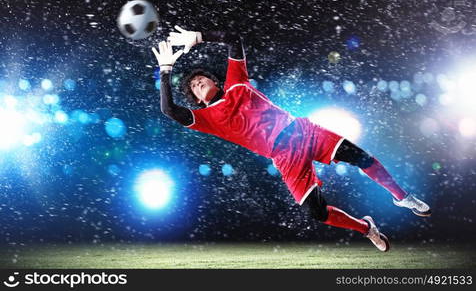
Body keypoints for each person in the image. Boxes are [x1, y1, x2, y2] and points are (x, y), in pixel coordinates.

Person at [151, 26, 431, 252]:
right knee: (317, 213)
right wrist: (166, 71)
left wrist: (199, 37)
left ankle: (402, 197)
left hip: (302, 132)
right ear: (197, 99)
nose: (198, 84)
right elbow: (169, 109)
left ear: (214, 80)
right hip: (284, 157)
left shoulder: (237, 81)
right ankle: (366, 228)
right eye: (193, 88)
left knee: (361, 158)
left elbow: (234, 38)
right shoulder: (207, 119)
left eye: (200, 79)